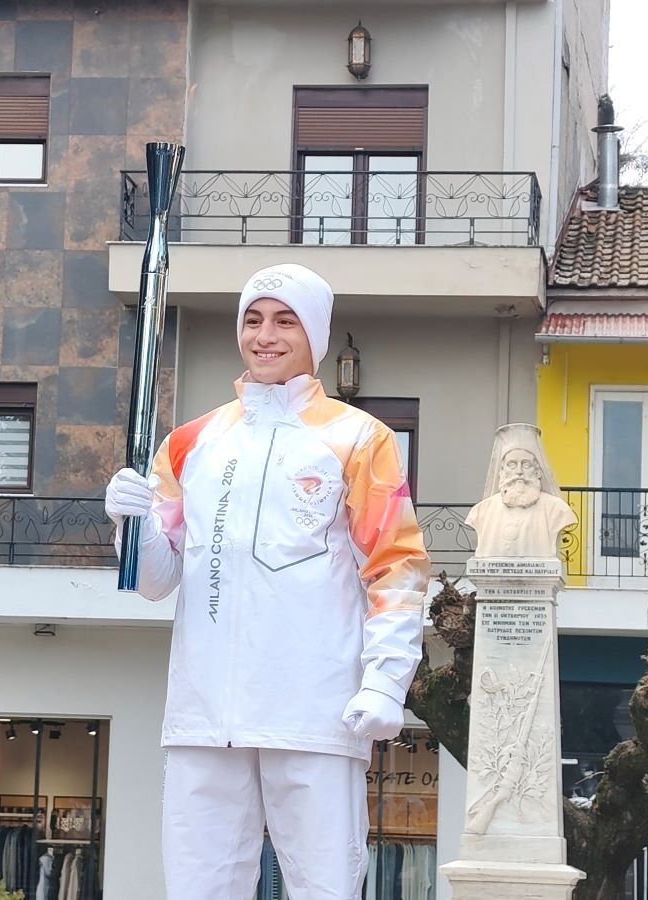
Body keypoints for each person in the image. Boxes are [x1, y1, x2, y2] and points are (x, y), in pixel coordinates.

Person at [103, 263, 431, 899]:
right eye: (253, 319)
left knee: (324, 885)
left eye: (285, 321)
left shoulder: (359, 438)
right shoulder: (189, 442)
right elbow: (156, 580)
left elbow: (396, 564)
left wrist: (386, 680)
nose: (265, 335)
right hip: (204, 713)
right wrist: (132, 525)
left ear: (316, 335)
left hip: (312, 708)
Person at [465, 425, 577, 559]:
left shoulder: (556, 509)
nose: (519, 471)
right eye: (512, 464)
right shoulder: (482, 511)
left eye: (526, 464)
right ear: (502, 471)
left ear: (537, 471)